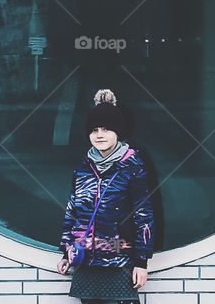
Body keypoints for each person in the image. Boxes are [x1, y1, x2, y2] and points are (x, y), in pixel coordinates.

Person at [57, 88, 154, 302]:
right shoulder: (83, 169)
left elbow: (143, 216)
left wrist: (141, 262)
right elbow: (72, 211)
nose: (100, 135)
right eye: (95, 130)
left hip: (120, 263)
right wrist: (66, 253)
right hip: (87, 263)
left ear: (118, 132)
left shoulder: (132, 165)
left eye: (107, 129)